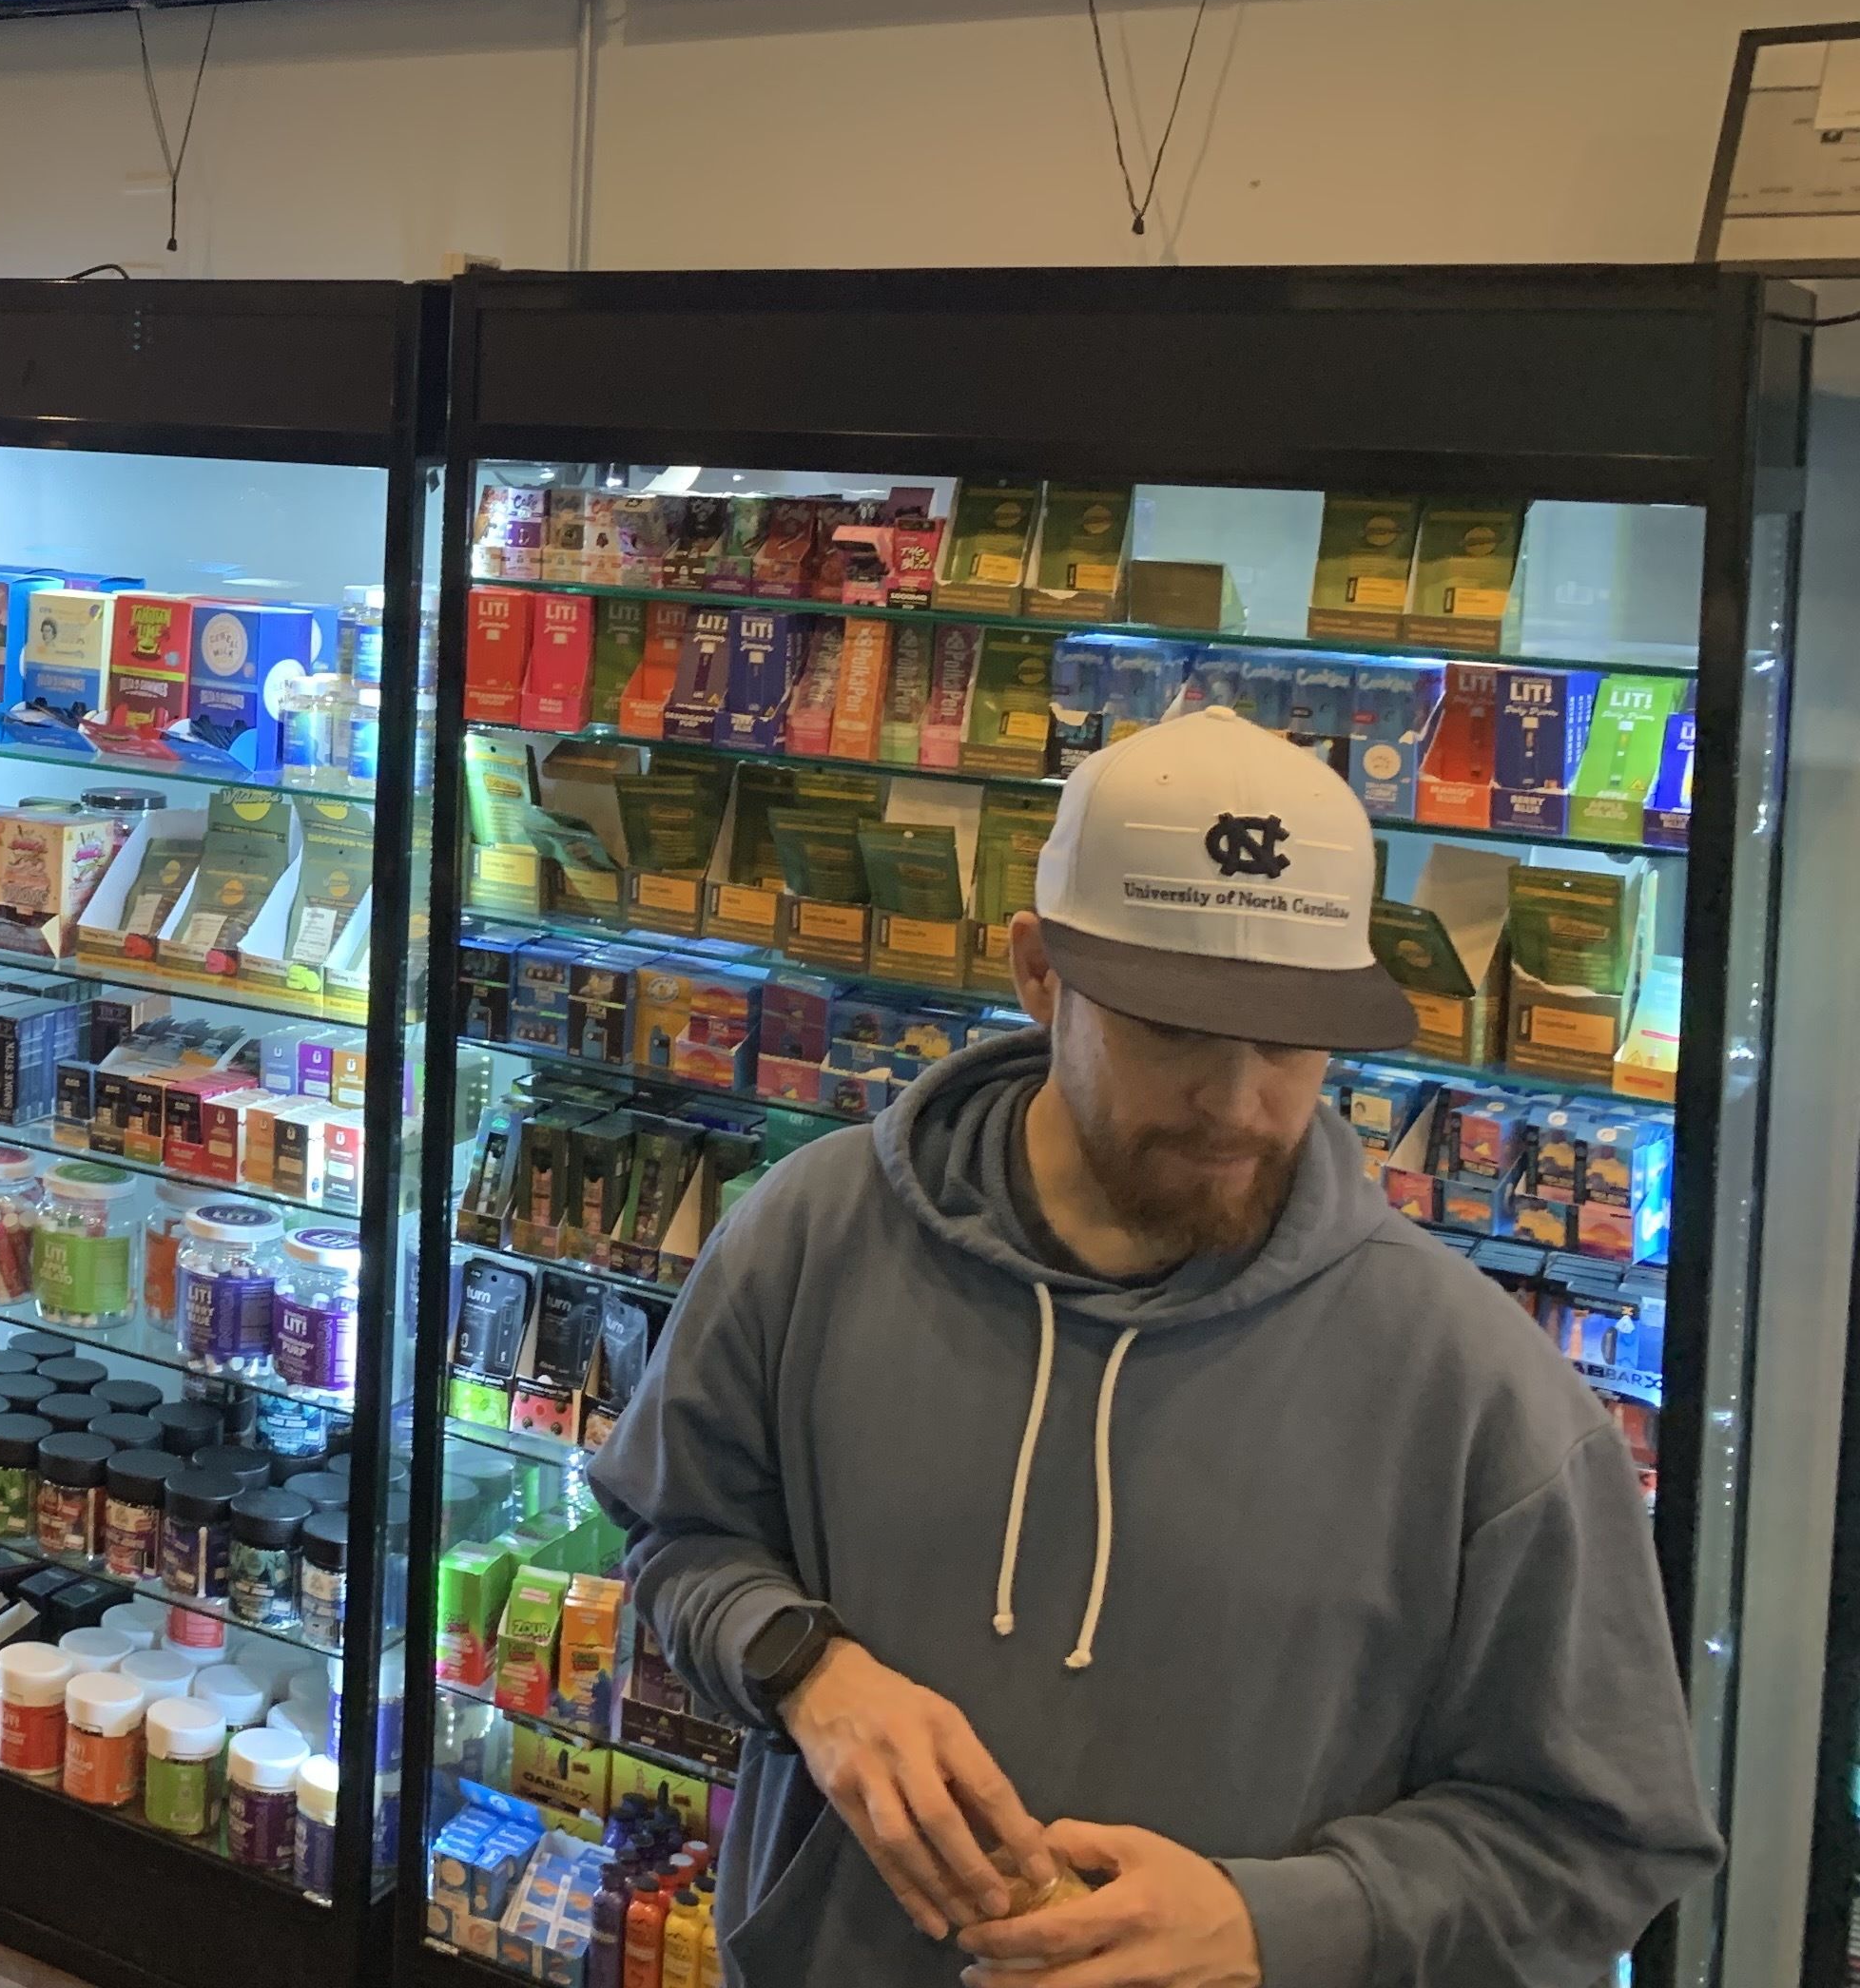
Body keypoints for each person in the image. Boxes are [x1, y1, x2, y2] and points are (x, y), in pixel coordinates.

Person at [588, 704, 1717, 1986]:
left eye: (1290, 1041)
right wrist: (804, 1668)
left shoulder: (1482, 1398)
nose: (1238, 1104)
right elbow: (678, 1537)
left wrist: (1274, 1925)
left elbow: (1603, 1844)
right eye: (1173, 1030)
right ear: (1039, 973)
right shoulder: (812, 1235)